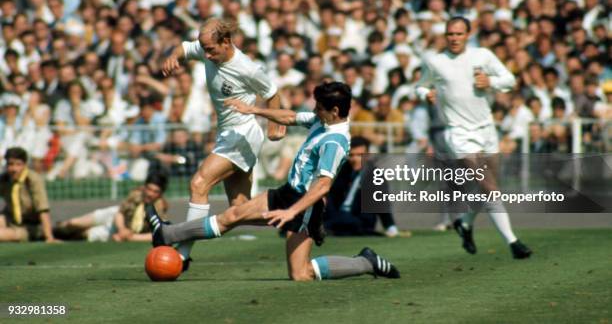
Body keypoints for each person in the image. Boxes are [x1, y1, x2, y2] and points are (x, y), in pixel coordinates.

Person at [146, 82, 400, 281]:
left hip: (303, 206)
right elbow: (291, 117)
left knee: (301, 275)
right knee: (232, 216)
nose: (313, 111)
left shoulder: (335, 142)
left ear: (334, 111)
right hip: (286, 194)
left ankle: (366, 262)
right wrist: (254, 110)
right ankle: (166, 232)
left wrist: (291, 212)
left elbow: (322, 186)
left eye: (318, 108)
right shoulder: (322, 122)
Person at [161, 18, 285, 270]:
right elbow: (185, 48)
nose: (206, 54)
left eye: (211, 49)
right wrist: (173, 57)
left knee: (199, 183)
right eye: (204, 49)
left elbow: (273, 93)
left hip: (243, 134)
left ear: (226, 42)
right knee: (239, 210)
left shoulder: (246, 68)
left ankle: (182, 254)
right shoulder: (206, 49)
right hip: (227, 134)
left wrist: (274, 126)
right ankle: (298, 216)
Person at [416, 17, 532, 260]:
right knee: (488, 185)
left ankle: (465, 224)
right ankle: (513, 242)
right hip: (458, 132)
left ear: (468, 34)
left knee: (489, 187)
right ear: (445, 36)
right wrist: (426, 93)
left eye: (459, 34)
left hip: (486, 129)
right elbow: (420, 85)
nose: (454, 38)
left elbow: (509, 80)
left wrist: (491, 82)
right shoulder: (435, 61)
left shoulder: (483, 56)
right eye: (450, 34)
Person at [325, 136, 411, 238]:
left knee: (337, 222)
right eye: (351, 155)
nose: (355, 159)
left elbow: (382, 204)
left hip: (359, 220)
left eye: (359, 155)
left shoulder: (375, 176)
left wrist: (390, 227)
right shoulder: (345, 171)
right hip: (339, 216)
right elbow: (333, 196)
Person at [54, 172, 168, 242]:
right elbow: (120, 213)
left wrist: (130, 238)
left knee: (84, 236)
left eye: (155, 191)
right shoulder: (136, 195)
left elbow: (157, 233)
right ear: (144, 187)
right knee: (73, 223)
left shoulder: (159, 208)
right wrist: (122, 229)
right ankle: (51, 232)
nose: (150, 193)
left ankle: (50, 236)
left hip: (118, 232)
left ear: (161, 193)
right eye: (149, 189)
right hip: (114, 217)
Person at [0, 147, 58, 242]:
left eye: (18, 165)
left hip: (30, 225)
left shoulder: (33, 180)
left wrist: (49, 237)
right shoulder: (4, 179)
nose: (14, 169)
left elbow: (43, 209)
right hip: (10, 219)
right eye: (11, 164)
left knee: (7, 235)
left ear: (25, 165)